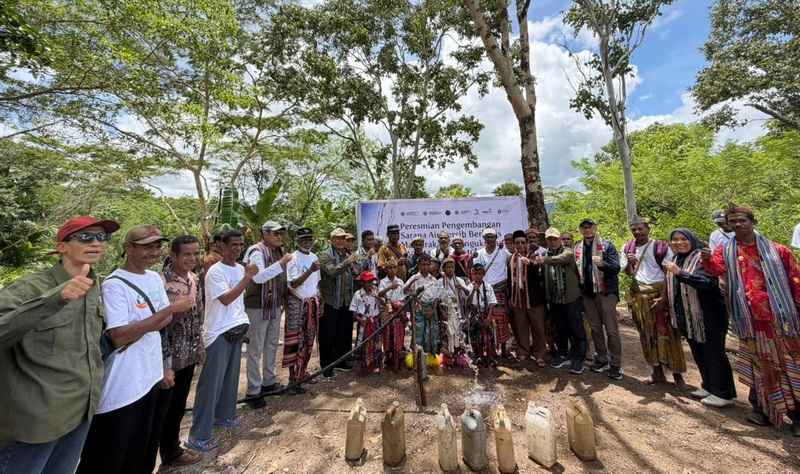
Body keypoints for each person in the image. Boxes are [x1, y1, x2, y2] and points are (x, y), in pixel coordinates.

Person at [0, 217, 118, 474]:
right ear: (62, 247)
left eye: (102, 237)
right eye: (86, 237)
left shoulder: (93, 285)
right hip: (36, 420)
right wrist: (56, 298)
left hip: (81, 410)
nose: (96, 243)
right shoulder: (30, 287)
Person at [78, 225, 191, 473]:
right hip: (124, 384)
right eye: (146, 246)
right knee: (112, 453)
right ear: (128, 248)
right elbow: (119, 336)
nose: (153, 252)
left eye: (156, 246)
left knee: (144, 450)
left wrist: (165, 365)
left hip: (150, 377)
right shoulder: (114, 285)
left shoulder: (152, 278)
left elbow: (163, 324)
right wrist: (170, 309)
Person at [703, 205, 800, 434]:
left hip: (780, 322)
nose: (737, 224)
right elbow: (715, 270)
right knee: (759, 367)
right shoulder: (726, 251)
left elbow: (796, 281)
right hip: (749, 322)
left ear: (753, 222)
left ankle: (797, 417)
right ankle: (762, 411)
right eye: (733, 221)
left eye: (742, 220)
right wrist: (706, 259)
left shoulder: (779, 251)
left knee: (789, 367)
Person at [187, 230, 269, 452]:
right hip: (218, 332)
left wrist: (244, 325)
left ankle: (225, 416)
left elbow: (238, 304)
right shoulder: (215, 272)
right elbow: (225, 299)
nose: (237, 248)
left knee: (230, 379)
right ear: (221, 246)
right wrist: (247, 278)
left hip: (235, 329)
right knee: (210, 385)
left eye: (241, 244)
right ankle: (199, 435)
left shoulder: (240, 268)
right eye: (233, 244)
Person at [143, 235, 205, 470]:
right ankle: (152, 459)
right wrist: (164, 364)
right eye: (186, 254)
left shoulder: (194, 279)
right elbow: (159, 326)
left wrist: (199, 348)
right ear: (174, 255)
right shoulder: (160, 282)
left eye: (195, 253)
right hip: (167, 358)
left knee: (178, 406)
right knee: (160, 411)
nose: (192, 258)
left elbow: (197, 316)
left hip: (188, 354)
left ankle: (171, 451)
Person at [663, 229, 736, 407]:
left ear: (692, 240)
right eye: (675, 240)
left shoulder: (702, 258)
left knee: (714, 352)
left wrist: (681, 273)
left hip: (709, 314)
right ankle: (708, 386)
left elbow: (707, 283)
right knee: (699, 351)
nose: (679, 243)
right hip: (688, 317)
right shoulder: (675, 258)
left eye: (683, 239)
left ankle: (723, 393)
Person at [621, 218, 686, 388]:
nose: (637, 232)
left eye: (640, 229)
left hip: (659, 294)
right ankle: (656, 372)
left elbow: (669, 273)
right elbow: (629, 273)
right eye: (634, 229)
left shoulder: (660, 247)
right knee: (646, 334)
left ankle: (677, 375)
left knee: (668, 333)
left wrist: (664, 299)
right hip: (639, 297)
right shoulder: (628, 247)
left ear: (648, 229)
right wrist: (629, 262)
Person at [242, 221, 293, 409]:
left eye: (281, 234)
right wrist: (281, 263)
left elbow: (282, 278)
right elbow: (258, 277)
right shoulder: (256, 251)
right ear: (265, 233)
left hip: (274, 305)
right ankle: (253, 391)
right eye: (275, 234)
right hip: (257, 305)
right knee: (255, 348)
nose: (279, 237)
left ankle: (268, 382)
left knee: (271, 344)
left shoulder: (278, 251)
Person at [574, 219, 622, 379]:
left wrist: (602, 264)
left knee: (611, 330)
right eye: (584, 227)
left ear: (595, 228)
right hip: (588, 294)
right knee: (595, 328)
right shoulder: (578, 248)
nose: (587, 230)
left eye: (590, 227)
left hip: (606, 293)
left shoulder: (607, 245)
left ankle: (615, 364)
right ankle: (602, 358)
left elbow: (616, 268)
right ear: (581, 230)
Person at [538, 227, 587, 375]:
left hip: (571, 298)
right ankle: (563, 354)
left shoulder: (568, 252)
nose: (552, 242)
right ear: (546, 240)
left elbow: (561, 260)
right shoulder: (546, 253)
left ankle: (579, 358)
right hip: (555, 300)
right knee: (560, 329)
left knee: (576, 329)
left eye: (554, 239)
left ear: (560, 239)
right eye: (549, 239)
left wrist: (544, 260)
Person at [284, 228, 322, 391]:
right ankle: (292, 378)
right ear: (298, 241)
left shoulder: (314, 257)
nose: (307, 242)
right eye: (304, 239)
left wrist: (321, 301)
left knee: (309, 339)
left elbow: (317, 283)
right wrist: (310, 270)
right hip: (297, 304)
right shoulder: (292, 258)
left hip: (312, 303)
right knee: (295, 340)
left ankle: (302, 372)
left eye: (309, 239)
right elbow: (293, 284)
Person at [318, 228, 359, 377]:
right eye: (337, 238)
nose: (341, 241)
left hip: (345, 300)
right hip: (330, 300)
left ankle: (342, 360)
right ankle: (327, 365)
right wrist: (347, 262)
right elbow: (332, 271)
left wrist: (353, 263)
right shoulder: (325, 255)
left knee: (344, 332)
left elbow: (355, 272)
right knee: (328, 334)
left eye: (343, 238)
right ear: (331, 240)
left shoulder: (345, 254)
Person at [508, 230, 548, 367]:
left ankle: (540, 354)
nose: (520, 245)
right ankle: (523, 351)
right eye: (517, 243)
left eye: (523, 242)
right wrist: (510, 298)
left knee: (538, 328)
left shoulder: (534, 256)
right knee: (521, 328)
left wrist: (529, 264)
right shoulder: (511, 259)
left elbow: (539, 271)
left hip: (534, 300)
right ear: (514, 244)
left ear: (527, 243)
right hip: (518, 300)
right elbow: (509, 280)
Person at [473, 227, 513, 359]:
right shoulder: (478, 254)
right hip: (484, 292)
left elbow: (510, 268)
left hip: (500, 291)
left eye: (492, 237)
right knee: (486, 320)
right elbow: (475, 272)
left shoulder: (504, 253)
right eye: (487, 237)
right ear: (484, 239)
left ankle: (503, 348)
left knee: (501, 320)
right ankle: (489, 349)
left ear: (496, 238)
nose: (490, 239)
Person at [404, 254, 440, 379]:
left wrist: (432, 310)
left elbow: (437, 297)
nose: (425, 267)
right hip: (418, 309)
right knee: (418, 335)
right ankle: (416, 363)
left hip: (431, 310)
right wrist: (414, 297)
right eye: (422, 264)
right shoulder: (414, 278)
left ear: (430, 265)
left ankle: (428, 360)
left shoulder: (434, 280)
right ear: (418, 265)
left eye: (427, 264)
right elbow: (405, 290)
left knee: (430, 334)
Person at [437, 257, 471, 368]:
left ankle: (458, 357)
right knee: (447, 335)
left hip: (458, 312)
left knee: (458, 335)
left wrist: (461, 287)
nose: (450, 269)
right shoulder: (440, 282)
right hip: (446, 313)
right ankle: (448, 358)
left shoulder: (460, 280)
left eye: (452, 267)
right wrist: (442, 312)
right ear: (444, 269)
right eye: (447, 267)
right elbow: (437, 299)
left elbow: (468, 294)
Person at [464, 263, 497, 367]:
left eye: (480, 273)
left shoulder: (488, 287)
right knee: (475, 337)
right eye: (475, 274)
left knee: (488, 337)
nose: (477, 276)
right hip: (474, 315)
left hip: (486, 313)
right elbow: (467, 303)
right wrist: (473, 290)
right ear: (471, 274)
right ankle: (478, 356)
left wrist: (489, 317)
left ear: (483, 274)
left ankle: (490, 357)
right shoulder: (469, 287)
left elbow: (492, 303)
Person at [350, 271, 383, 374]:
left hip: (374, 322)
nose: (370, 284)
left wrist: (379, 298)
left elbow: (382, 305)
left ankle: (376, 364)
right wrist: (360, 320)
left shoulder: (376, 291)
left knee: (376, 343)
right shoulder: (357, 294)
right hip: (363, 323)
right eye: (367, 282)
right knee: (362, 344)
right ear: (362, 283)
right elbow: (353, 311)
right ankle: (363, 366)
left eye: (371, 281)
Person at [378, 259, 407, 371]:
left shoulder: (400, 281)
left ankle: (397, 357)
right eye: (389, 267)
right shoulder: (383, 282)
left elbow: (403, 298)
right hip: (387, 310)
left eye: (394, 267)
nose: (392, 270)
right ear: (386, 269)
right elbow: (379, 294)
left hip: (398, 311)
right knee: (387, 334)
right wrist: (390, 287)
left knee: (398, 335)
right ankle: (388, 356)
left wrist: (398, 306)